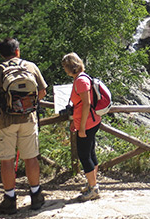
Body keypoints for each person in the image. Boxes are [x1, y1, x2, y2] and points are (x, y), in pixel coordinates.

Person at [0, 38, 48, 214]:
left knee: (7, 161)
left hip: (4, 122)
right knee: (31, 158)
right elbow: (42, 92)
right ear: (17, 51)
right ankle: (36, 196)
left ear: (1, 54)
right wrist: (25, 105)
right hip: (28, 119)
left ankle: (9, 201)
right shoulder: (31, 67)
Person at [61, 52, 101, 202]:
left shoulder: (80, 81)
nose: (64, 69)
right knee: (90, 152)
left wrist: (82, 127)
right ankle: (92, 183)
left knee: (84, 155)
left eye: (65, 66)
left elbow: (86, 104)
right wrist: (75, 122)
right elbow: (80, 105)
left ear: (71, 66)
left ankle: (93, 188)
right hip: (91, 121)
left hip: (88, 123)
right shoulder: (83, 78)